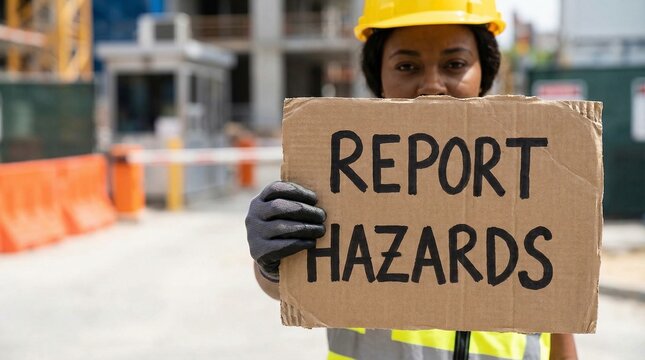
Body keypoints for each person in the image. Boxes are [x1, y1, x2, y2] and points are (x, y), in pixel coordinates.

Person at [245, 1, 578, 359]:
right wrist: (273, 260)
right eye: (407, 66)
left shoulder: (534, 178)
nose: (432, 85)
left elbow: (558, 323)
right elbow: (295, 283)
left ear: (485, 70)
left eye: (455, 64)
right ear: (379, 77)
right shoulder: (343, 174)